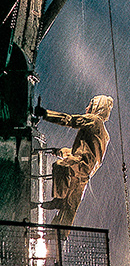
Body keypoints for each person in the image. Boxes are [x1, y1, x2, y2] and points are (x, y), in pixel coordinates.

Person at [34, 95, 114, 235]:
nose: (87, 108)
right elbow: (85, 152)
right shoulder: (104, 134)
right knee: (70, 207)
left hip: (81, 164)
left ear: (97, 107)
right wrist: (60, 151)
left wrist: (46, 114)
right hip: (85, 173)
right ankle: (58, 236)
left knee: (60, 166)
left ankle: (58, 198)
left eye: (90, 105)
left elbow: (69, 120)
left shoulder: (94, 120)